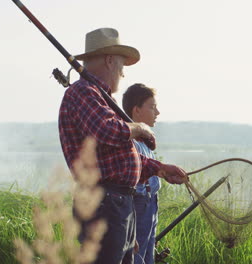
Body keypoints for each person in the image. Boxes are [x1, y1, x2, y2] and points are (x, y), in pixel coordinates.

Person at [58, 28, 187, 264]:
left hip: (118, 204)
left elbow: (116, 157)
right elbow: (106, 132)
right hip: (104, 202)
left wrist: (159, 168)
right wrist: (139, 128)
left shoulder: (100, 97)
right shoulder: (83, 92)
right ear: (109, 61)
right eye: (121, 66)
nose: (123, 74)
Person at [122, 83, 162, 264]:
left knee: (148, 257)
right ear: (136, 111)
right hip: (139, 206)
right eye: (152, 107)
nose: (157, 112)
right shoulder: (130, 143)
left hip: (151, 204)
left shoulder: (145, 142)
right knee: (136, 258)